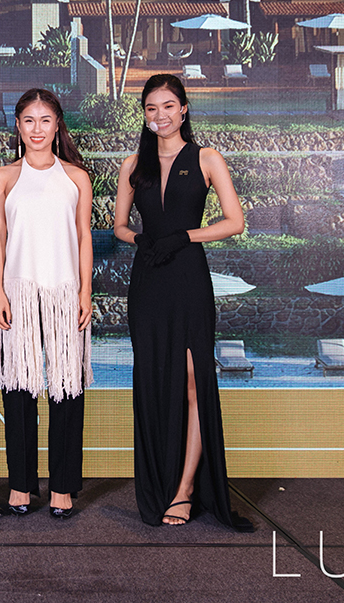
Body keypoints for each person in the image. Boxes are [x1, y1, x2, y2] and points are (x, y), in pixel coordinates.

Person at [112, 74, 252, 531]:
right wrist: (141, 239)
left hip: (189, 276)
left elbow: (235, 221)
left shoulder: (207, 158)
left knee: (193, 382)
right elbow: (119, 226)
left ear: (184, 108)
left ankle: (186, 489)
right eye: (151, 108)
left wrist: (184, 237)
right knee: (154, 381)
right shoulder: (133, 163)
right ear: (144, 114)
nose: (160, 116)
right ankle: (159, 481)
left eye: (168, 106)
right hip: (149, 279)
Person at [0, 89, 93, 519]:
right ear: (17, 125)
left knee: (66, 389)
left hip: (66, 292)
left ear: (57, 125)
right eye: (28, 120)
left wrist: (85, 291)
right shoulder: (3, 177)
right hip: (19, 293)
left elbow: (84, 237)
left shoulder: (76, 177)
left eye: (45, 120)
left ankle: (63, 486)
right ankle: (21, 485)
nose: (37, 129)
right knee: (18, 389)